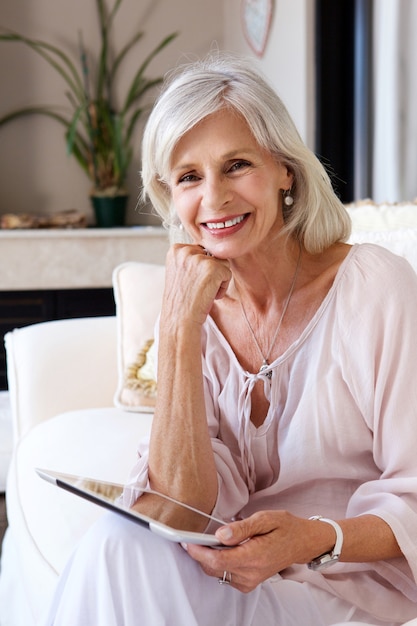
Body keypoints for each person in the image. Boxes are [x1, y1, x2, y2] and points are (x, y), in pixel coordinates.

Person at [43, 54, 417, 626]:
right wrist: (176, 329)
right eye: (189, 176)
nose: (213, 198)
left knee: (117, 558)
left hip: (347, 597)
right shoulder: (197, 314)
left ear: (285, 170)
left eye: (236, 165)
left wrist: (314, 538)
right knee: (120, 545)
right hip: (238, 587)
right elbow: (182, 508)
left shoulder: (375, 288)